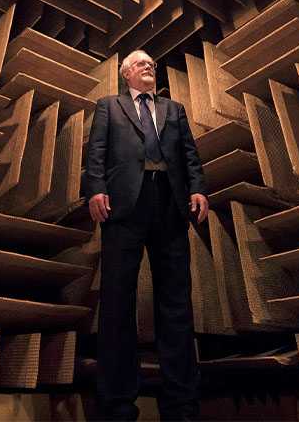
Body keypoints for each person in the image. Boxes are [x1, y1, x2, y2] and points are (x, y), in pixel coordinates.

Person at [86, 49, 209, 421]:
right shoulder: (108, 106)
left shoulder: (174, 109)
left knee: (176, 304)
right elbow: (97, 152)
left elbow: (189, 154)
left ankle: (182, 405)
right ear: (126, 75)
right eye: (140, 63)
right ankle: (118, 404)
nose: (148, 67)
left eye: (152, 64)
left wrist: (198, 187)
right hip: (124, 205)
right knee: (117, 303)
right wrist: (95, 187)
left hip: (170, 203)